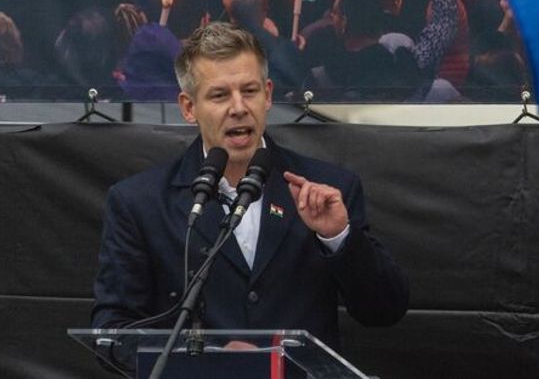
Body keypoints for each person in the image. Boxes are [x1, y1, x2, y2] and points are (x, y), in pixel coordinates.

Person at [91, 22, 409, 350]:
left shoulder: (329, 189)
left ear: (268, 95)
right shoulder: (140, 203)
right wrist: (207, 361)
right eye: (219, 95)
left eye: (249, 91)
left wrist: (338, 237)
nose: (239, 108)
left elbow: (384, 310)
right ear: (189, 107)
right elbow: (113, 333)